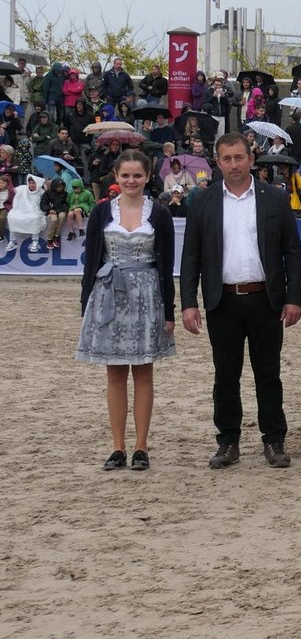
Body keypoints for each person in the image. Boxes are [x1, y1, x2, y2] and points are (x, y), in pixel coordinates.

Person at [180, 133, 301, 470]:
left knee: (269, 374)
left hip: (266, 299)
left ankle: (274, 440)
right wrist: (188, 303)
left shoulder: (274, 199)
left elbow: (292, 252)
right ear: (217, 163)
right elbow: (190, 257)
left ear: (251, 159)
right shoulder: (203, 202)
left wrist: (294, 298)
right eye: (227, 158)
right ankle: (227, 441)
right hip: (222, 302)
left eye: (239, 157)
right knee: (225, 375)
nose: (234, 164)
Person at [76, 150, 177, 471]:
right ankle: (118, 446)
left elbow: (166, 265)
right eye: (125, 175)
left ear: (147, 177)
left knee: (144, 372)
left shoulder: (159, 213)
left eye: (137, 175)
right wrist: (86, 303)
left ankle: (141, 447)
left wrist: (170, 310)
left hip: (148, 295)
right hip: (108, 294)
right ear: (116, 177)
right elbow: (91, 260)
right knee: (115, 373)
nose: (131, 181)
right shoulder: (101, 212)